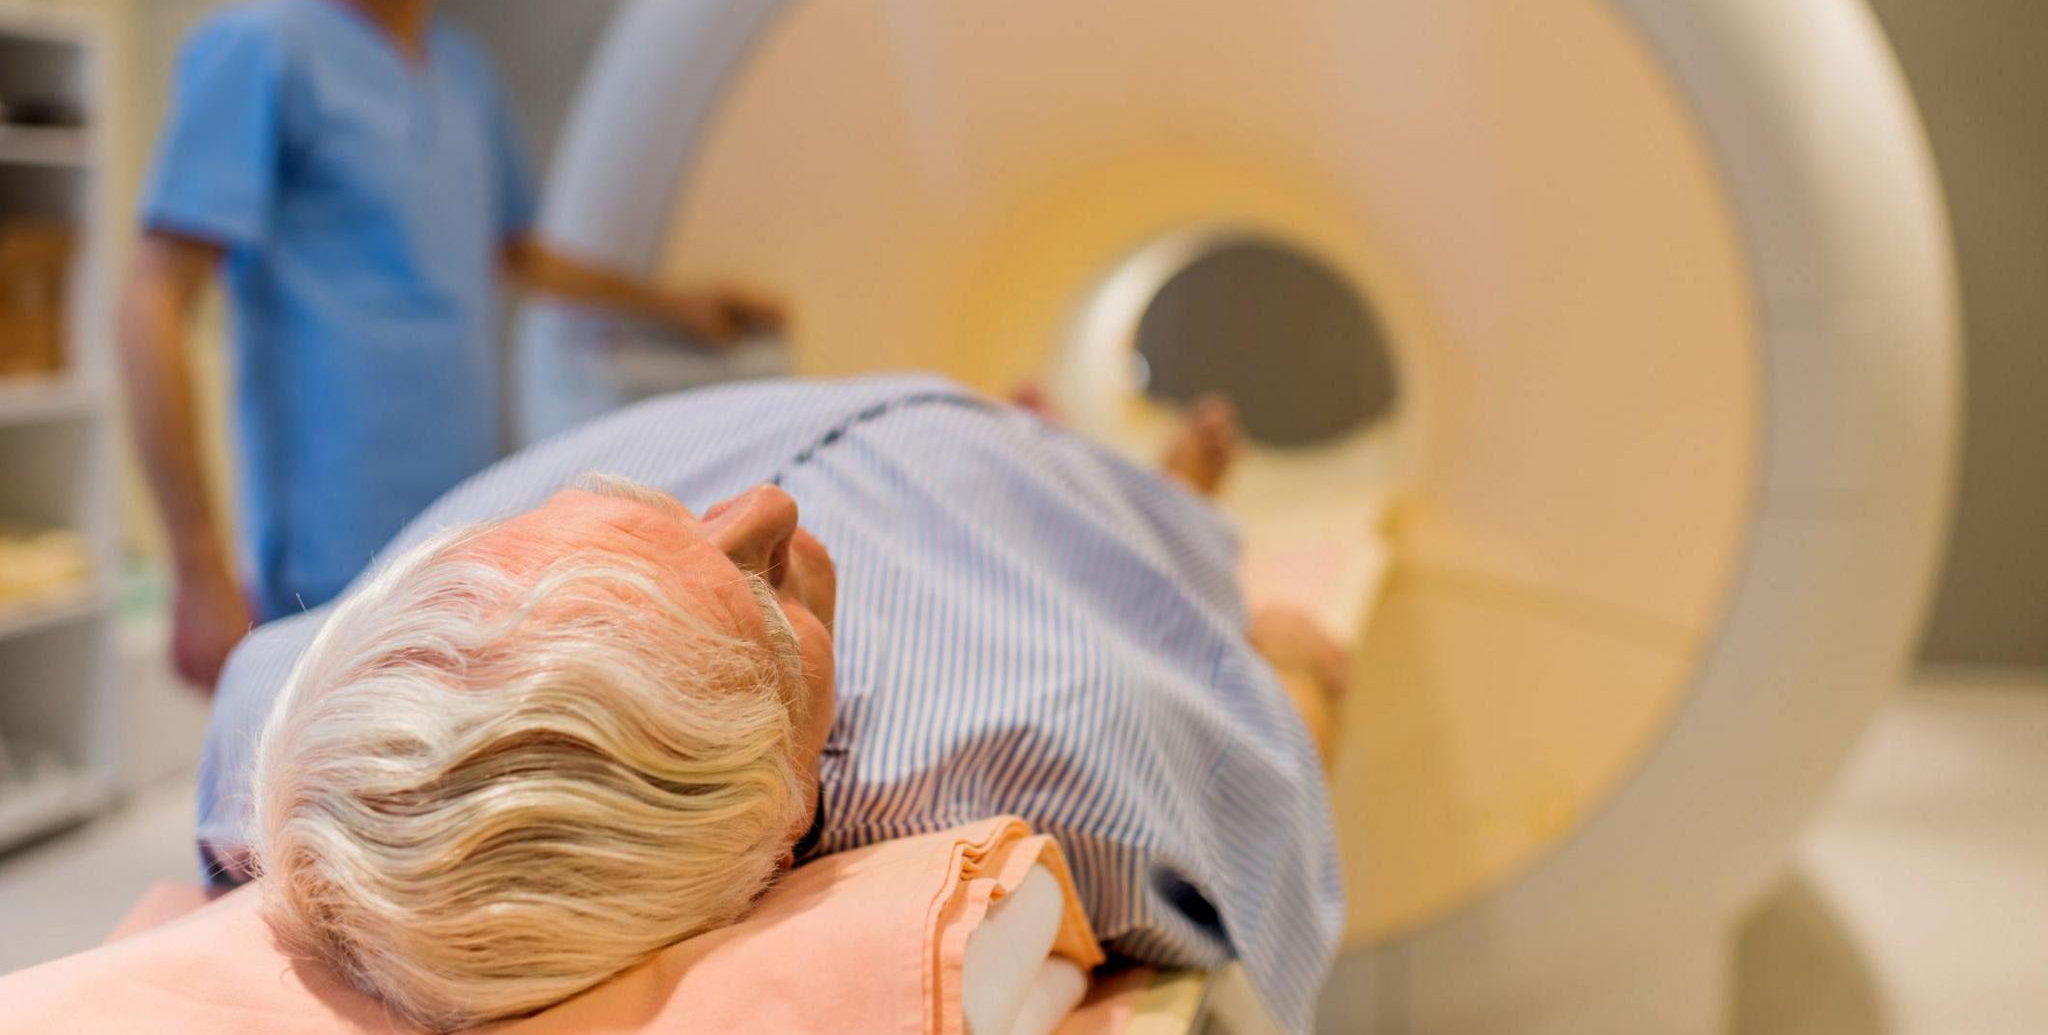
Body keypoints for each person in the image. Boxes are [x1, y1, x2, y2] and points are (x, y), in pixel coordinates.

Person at [200, 374, 1347, 1033]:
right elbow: (1264, 785)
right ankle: (1166, 497)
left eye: (664, 515)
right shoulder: (1041, 756)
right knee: (1158, 565)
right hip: (1005, 503)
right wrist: (1294, 667)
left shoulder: (272, 710)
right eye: (761, 598)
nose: (762, 510)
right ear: (783, 819)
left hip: (831, 411)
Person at [120, 0, 781, 693]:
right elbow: (153, 300)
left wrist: (675, 306)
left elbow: (518, 254)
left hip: (462, 533)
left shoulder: (463, 73)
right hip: (325, 563)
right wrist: (197, 568)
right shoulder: (263, 51)